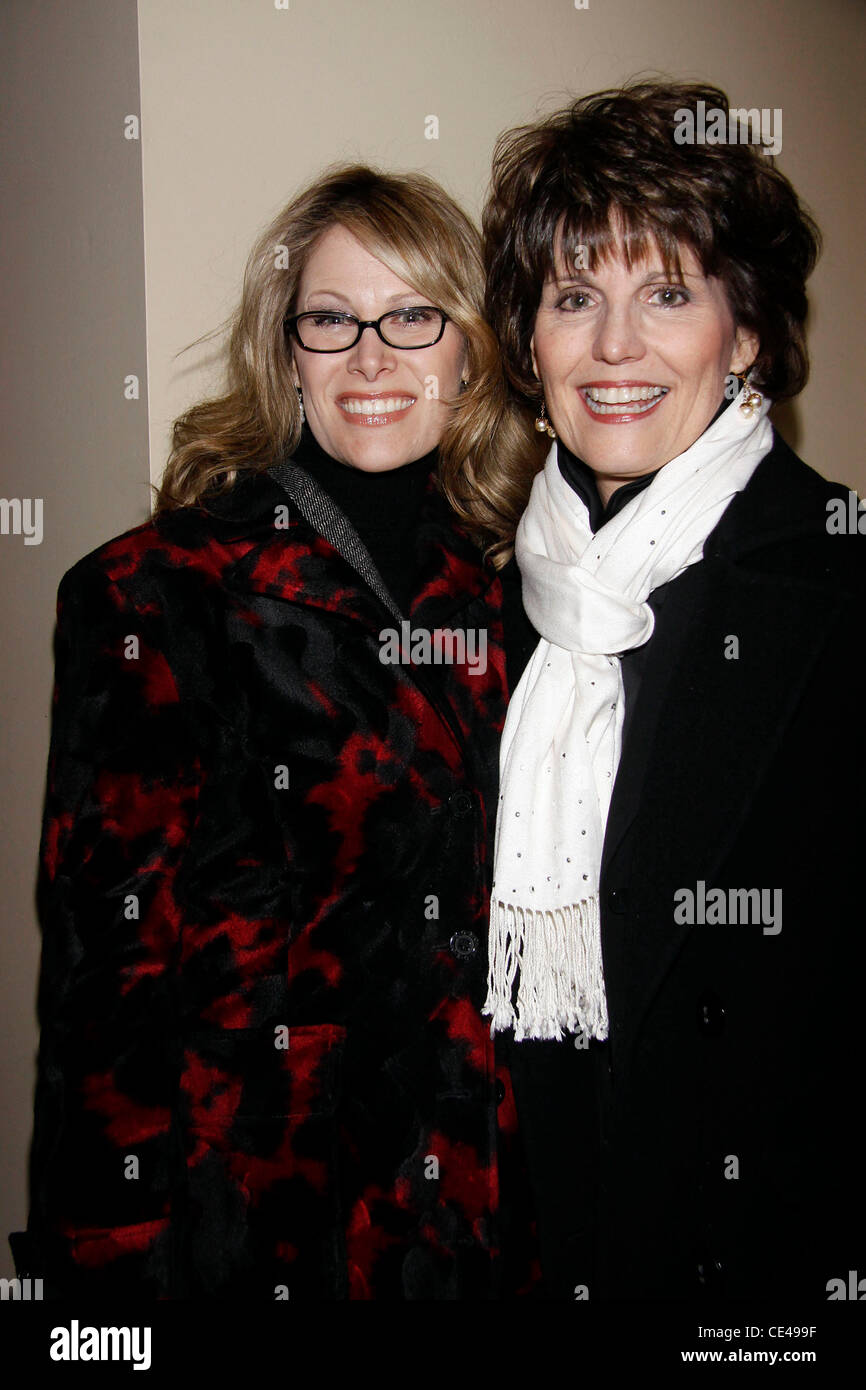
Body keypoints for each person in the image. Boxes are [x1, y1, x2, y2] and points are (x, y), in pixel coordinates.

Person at [12, 164, 538, 1300]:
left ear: (469, 351)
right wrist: (100, 1272)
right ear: (286, 352)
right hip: (253, 1224)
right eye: (330, 319)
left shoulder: (519, 590)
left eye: (412, 317)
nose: (370, 356)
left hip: (481, 1217)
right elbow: (107, 980)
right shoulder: (156, 594)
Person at [444, 79, 866, 1300]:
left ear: (745, 336)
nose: (614, 346)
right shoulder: (492, 604)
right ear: (529, 344)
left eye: (666, 294)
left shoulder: (838, 584)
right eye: (574, 298)